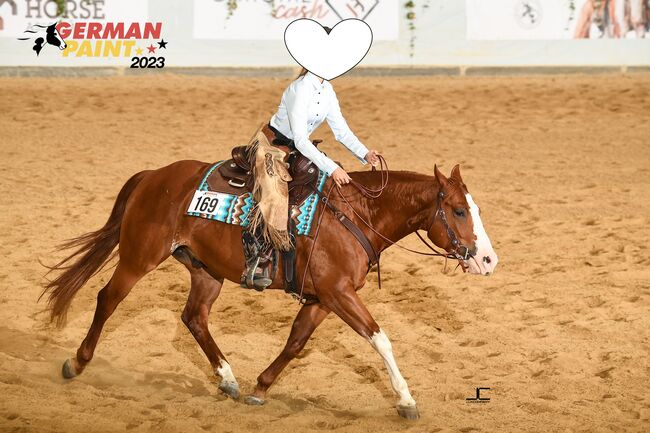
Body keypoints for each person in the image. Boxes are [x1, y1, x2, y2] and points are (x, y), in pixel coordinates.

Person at [242, 39, 380, 290]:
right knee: (274, 192)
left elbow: (341, 131)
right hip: (273, 145)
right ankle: (258, 255)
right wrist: (333, 168)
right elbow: (301, 139)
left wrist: (364, 153)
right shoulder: (300, 89)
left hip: (297, 148)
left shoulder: (327, 90)